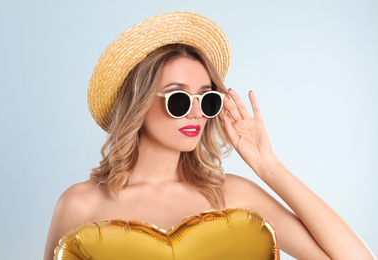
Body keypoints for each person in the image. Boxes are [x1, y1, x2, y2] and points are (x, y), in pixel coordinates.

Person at [44, 12, 375, 260]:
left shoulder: (232, 195)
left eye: (208, 98)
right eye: (178, 98)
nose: (196, 111)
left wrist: (268, 166)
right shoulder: (79, 205)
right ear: (139, 105)